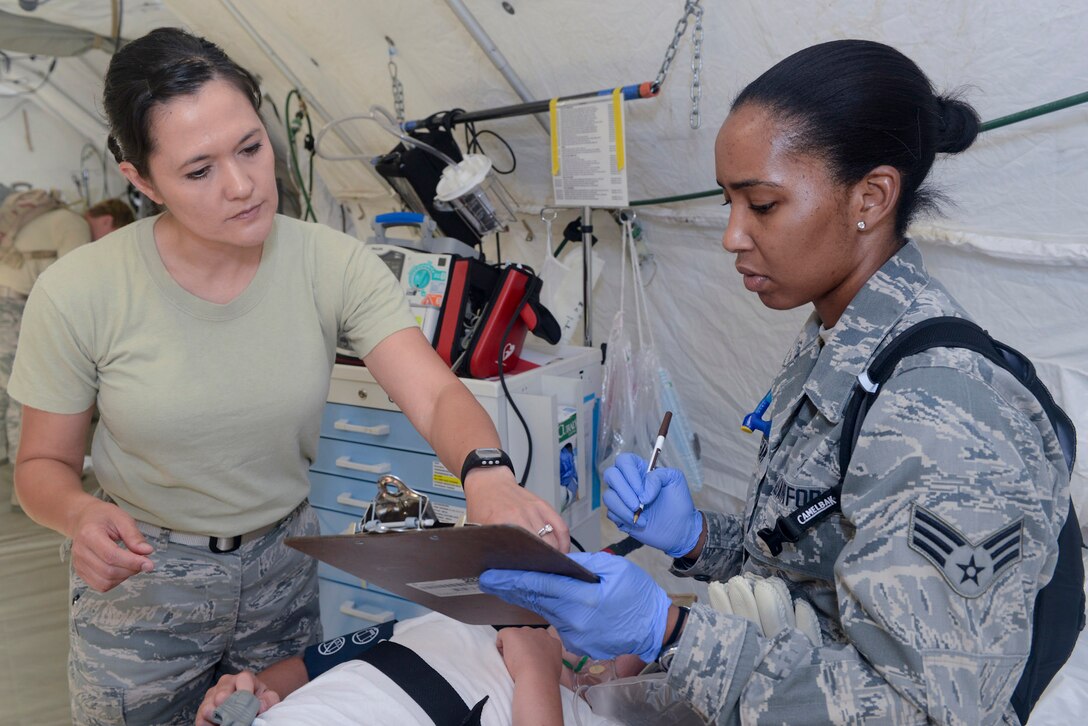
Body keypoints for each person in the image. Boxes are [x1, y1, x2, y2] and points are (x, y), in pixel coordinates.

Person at [479, 39, 1072, 724]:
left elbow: (921, 713)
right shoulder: (840, 341)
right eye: (729, 201)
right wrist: (700, 540)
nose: (732, 235)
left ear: (871, 198)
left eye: (760, 205)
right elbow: (810, 572)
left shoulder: (939, 410)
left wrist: (670, 634)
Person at [8, 27, 568, 725]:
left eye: (250, 147)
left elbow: (433, 391)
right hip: (145, 584)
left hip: (280, 573)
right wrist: (80, 515)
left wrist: (488, 475)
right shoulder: (80, 291)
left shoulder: (331, 264)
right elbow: (40, 464)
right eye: (199, 170)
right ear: (142, 181)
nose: (242, 185)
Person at [193, 614, 638, 726]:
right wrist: (260, 688)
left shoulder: (584, 713)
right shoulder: (444, 620)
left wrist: (537, 673)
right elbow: (305, 667)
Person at [1, 192, 133, 508]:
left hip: (6, 300)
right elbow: (74, 286)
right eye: (111, 236)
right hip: (16, 307)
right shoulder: (73, 225)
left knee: (7, 388)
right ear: (107, 221)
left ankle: (10, 464)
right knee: (30, 396)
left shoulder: (52, 219)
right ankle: (30, 488)